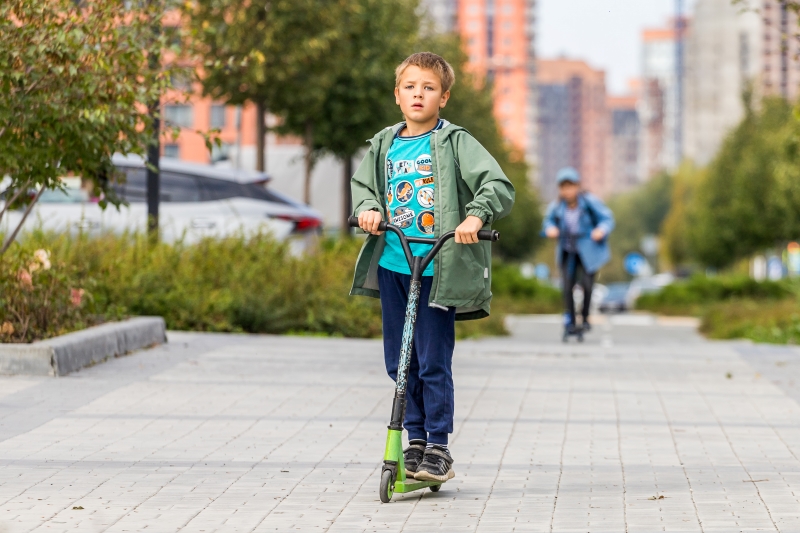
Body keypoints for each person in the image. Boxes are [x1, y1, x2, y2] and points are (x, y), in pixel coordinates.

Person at [350, 52, 515, 482]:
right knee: (398, 360)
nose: (418, 94)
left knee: (432, 360)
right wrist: (367, 209)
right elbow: (364, 187)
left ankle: (438, 445)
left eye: (428, 88)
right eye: (410, 87)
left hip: (437, 267)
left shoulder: (455, 141)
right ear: (397, 95)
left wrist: (476, 216)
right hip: (394, 262)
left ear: (443, 97)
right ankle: (417, 439)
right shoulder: (384, 143)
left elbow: (497, 184)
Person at [543, 167, 614, 333]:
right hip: (567, 250)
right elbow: (548, 222)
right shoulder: (557, 206)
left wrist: (601, 230)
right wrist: (550, 229)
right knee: (567, 286)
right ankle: (571, 321)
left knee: (588, 285)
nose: (567, 191)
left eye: (570, 186)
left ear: (577, 186)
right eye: (563, 187)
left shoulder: (589, 202)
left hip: (588, 251)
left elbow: (607, 218)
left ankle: (585, 316)